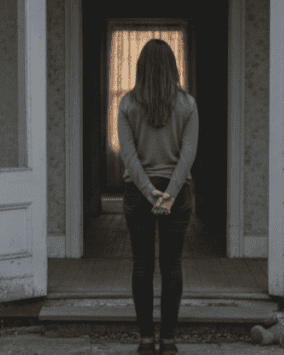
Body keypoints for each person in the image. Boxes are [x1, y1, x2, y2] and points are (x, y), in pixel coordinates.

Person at [117, 39, 199, 355]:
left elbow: (128, 156)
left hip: (139, 195)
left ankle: (145, 341)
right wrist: (169, 194)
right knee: (171, 264)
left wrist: (150, 193)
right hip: (176, 195)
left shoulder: (127, 104)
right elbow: (188, 154)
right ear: (172, 67)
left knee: (142, 263)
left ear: (140, 67)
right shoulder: (188, 104)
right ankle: (168, 342)